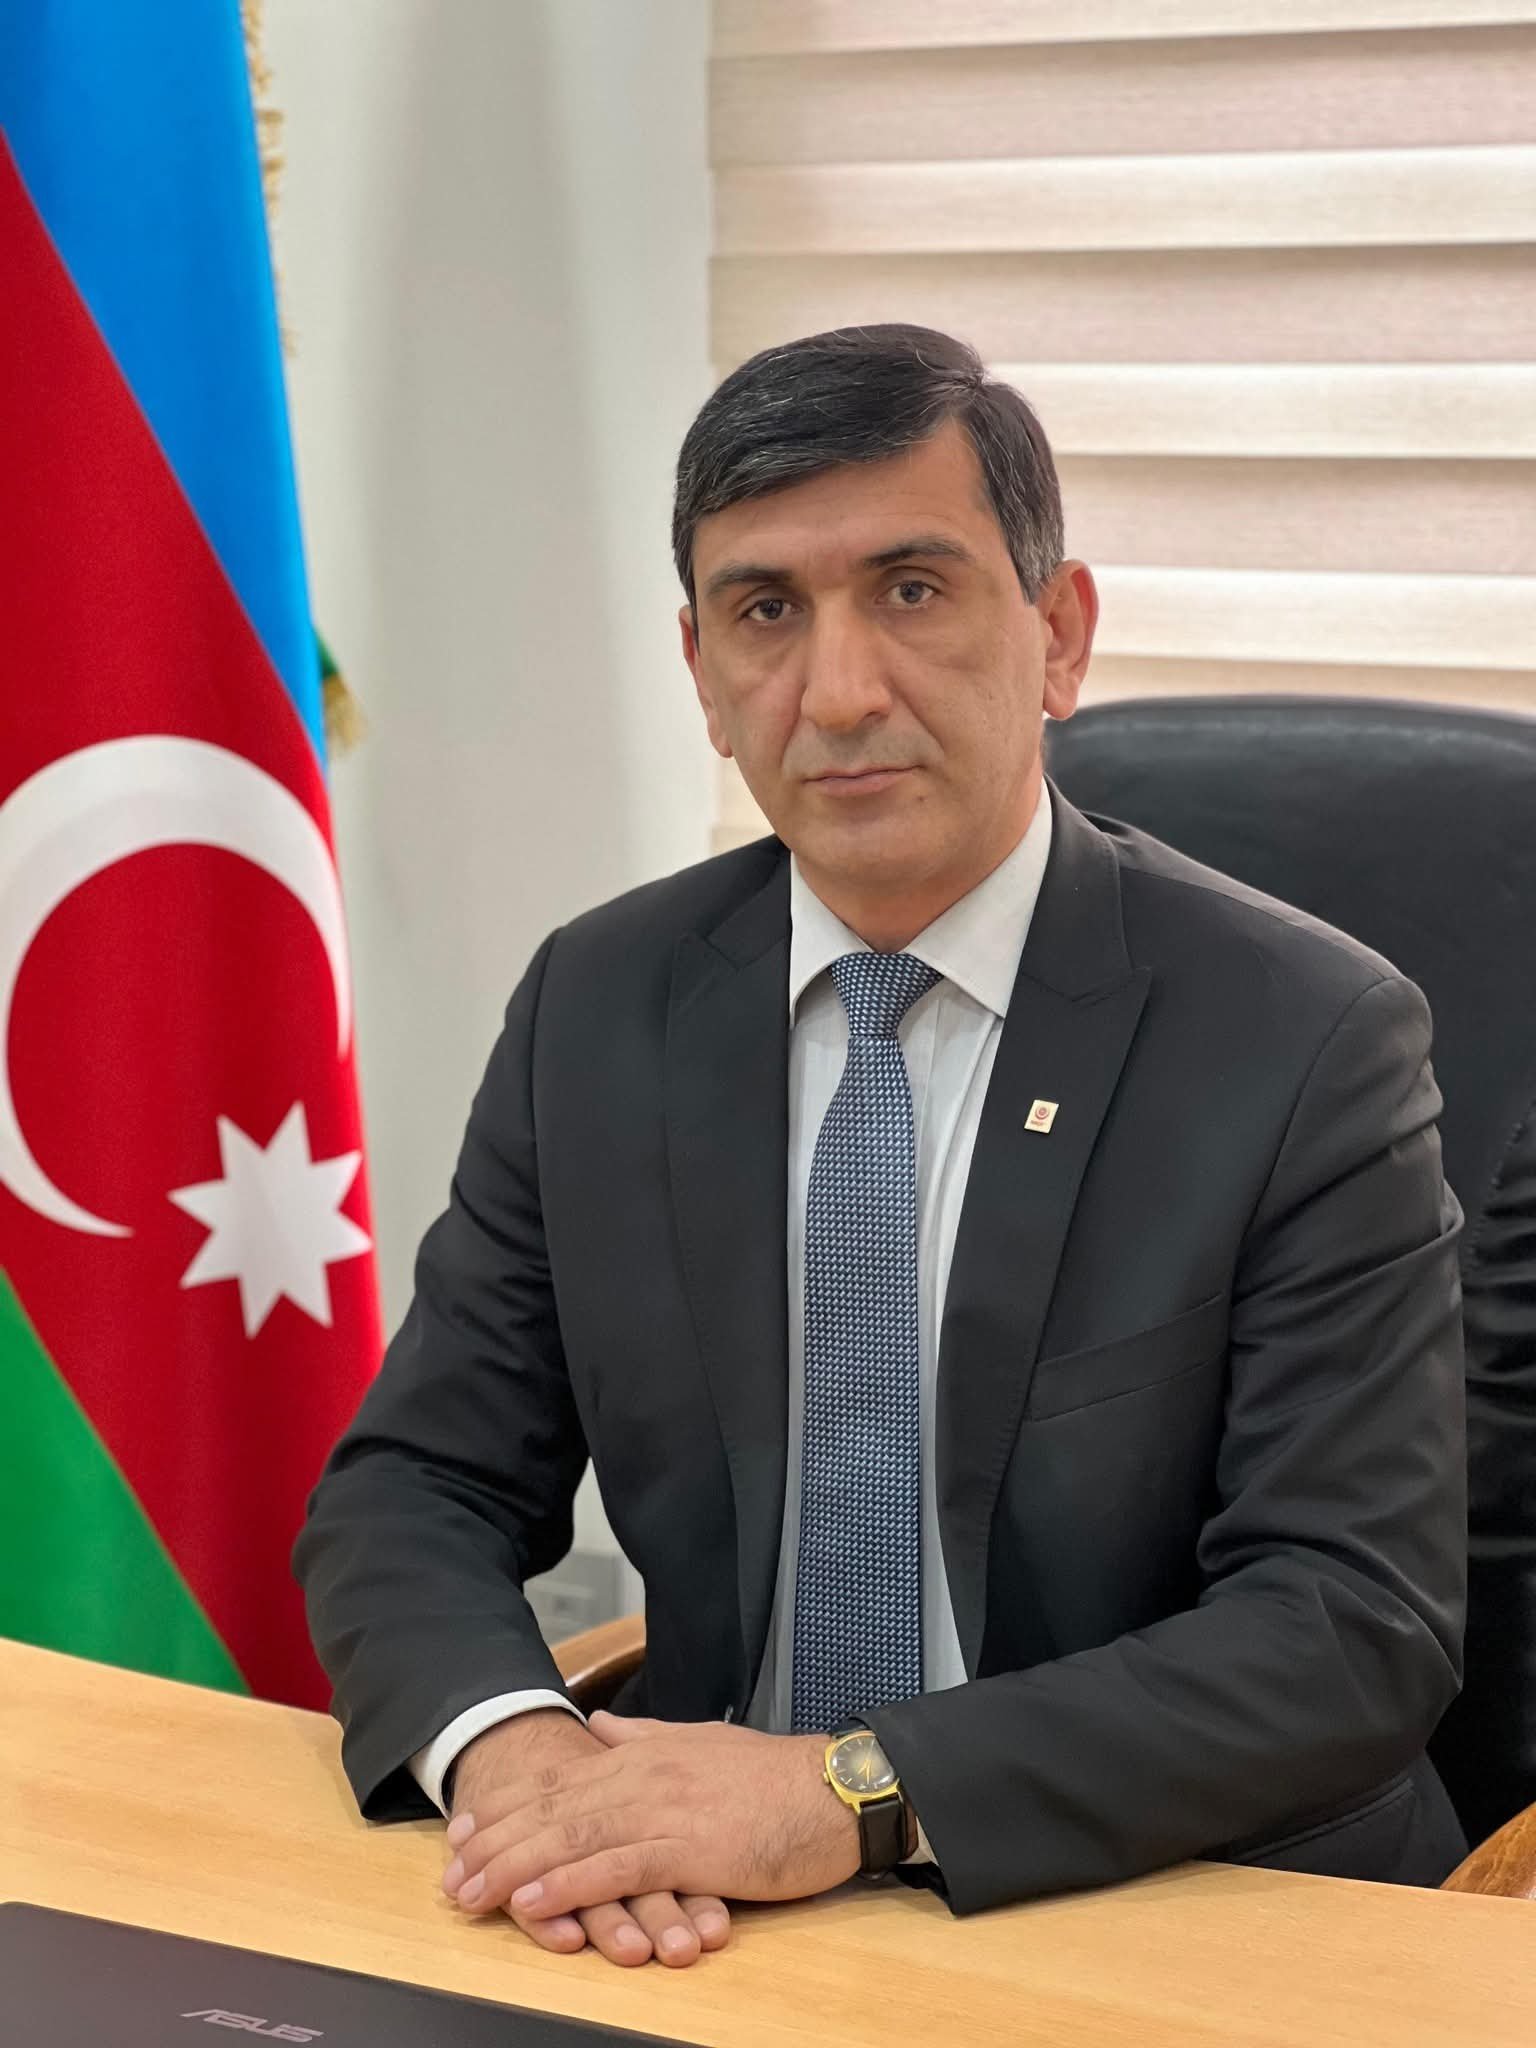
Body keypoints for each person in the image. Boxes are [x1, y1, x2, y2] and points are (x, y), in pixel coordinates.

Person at [295, 323, 1468, 1971]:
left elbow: (1349, 1625)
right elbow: (416, 1484)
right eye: (766, 611)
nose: (838, 693)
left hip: (1169, 1908)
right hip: (699, 1919)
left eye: (912, 590)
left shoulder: (1307, 1038)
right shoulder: (600, 1002)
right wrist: (519, 1755)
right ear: (702, 674)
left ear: (1059, 635)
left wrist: (847, 1792)